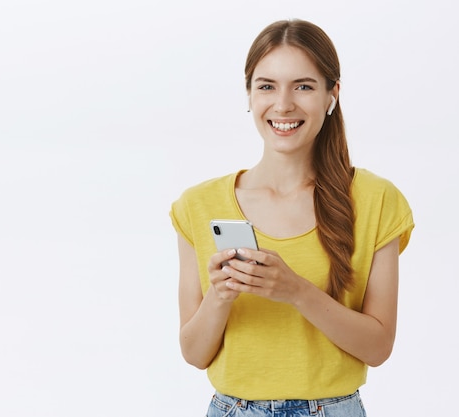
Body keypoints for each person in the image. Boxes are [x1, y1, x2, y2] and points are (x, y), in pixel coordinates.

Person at [169, 19, 414, 417]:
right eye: (266, 86)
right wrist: (221, 295)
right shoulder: (198, 205)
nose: (283, 104)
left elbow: (378, 347)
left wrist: (296, 291)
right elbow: (195, 354)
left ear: (332, 94)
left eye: (303, 85)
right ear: (249, 94)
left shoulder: (376, 200)